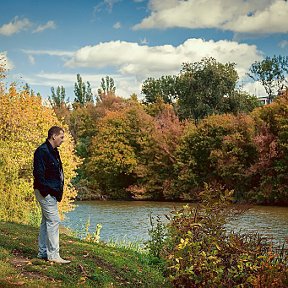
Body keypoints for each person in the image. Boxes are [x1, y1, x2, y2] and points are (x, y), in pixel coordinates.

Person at [33, 126, 70, 264]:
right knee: (54, 221)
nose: (63, 140)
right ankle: (53, 255)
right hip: (45, 192)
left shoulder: (53, 151)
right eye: (61, 137)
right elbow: (39, 175)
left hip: (51, 192)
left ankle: (43, 252)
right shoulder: (42, 151)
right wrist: (48, 191)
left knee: (46, 222)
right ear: (53, 136)